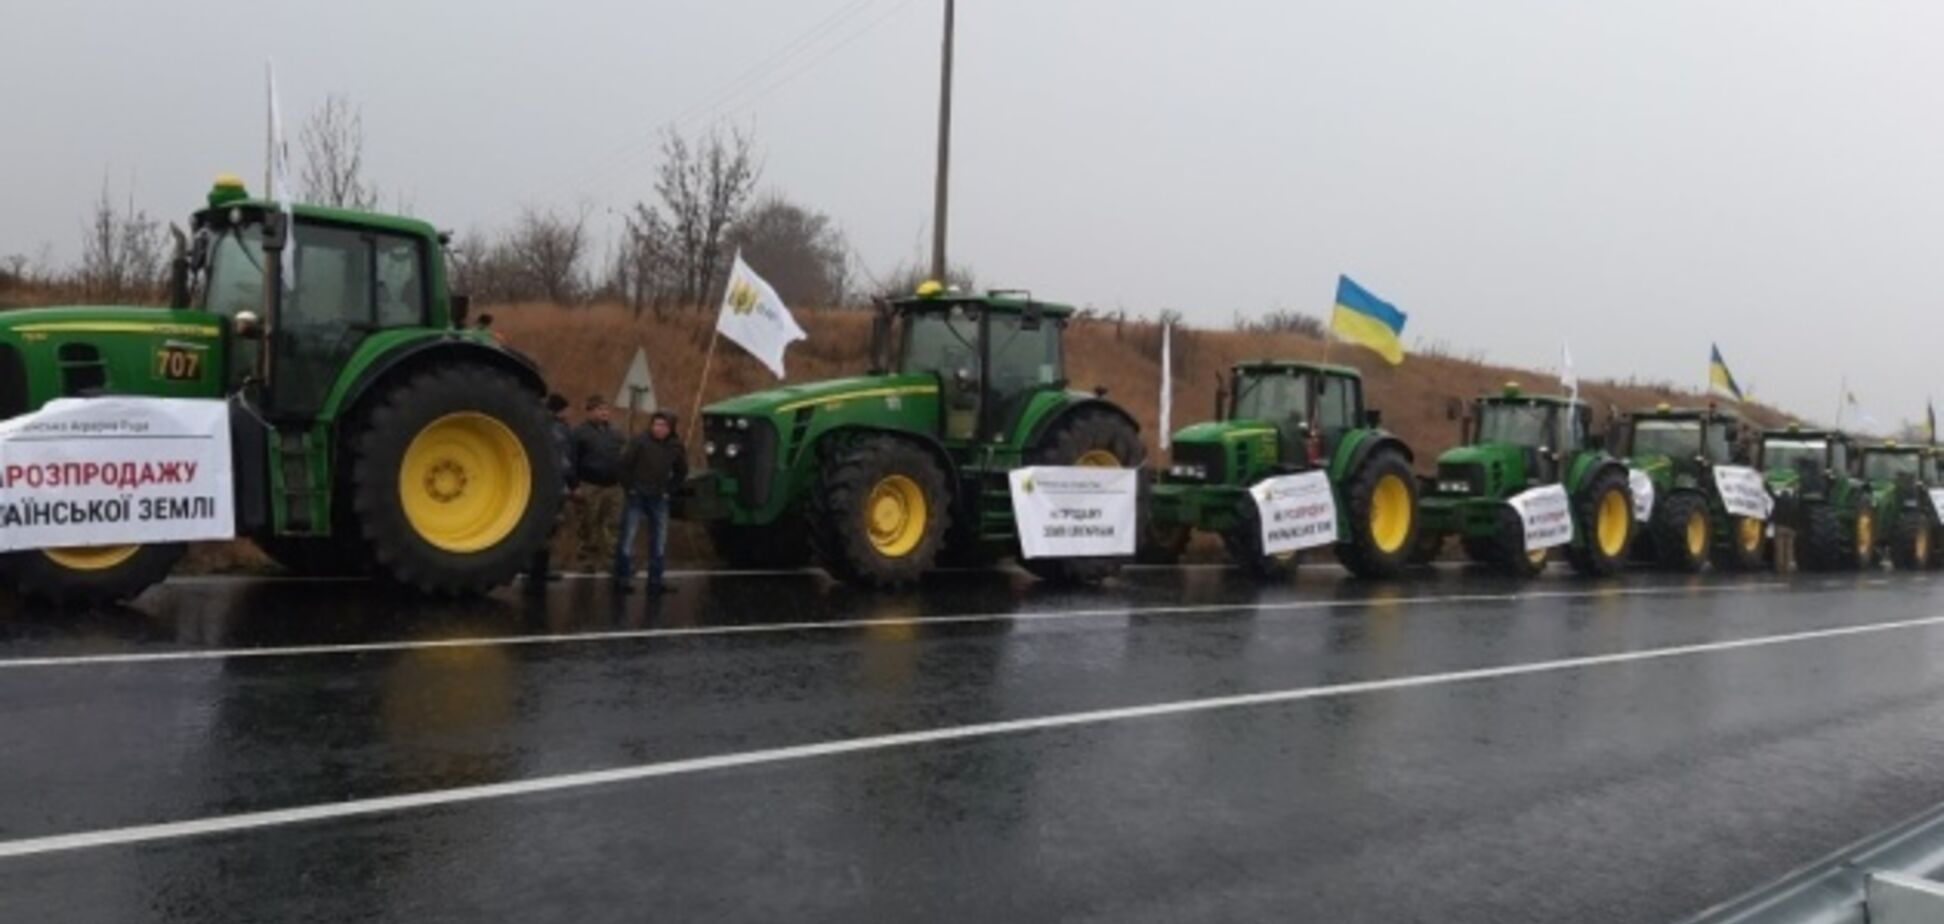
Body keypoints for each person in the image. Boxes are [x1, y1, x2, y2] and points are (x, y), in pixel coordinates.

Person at [613, 410, 687, 594]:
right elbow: (623, 465)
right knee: (627, 537)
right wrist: (629, 487)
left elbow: (681, 471)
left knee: (659, 541)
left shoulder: (675, 446)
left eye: (663, 425)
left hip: (659, 497)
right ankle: (622, 578)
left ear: (670, 428)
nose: (659, 429)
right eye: (656, 424)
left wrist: (670, 489)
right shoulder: (640, 441)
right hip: (637, 494)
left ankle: (655, 580)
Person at [525, 393, 577, 590]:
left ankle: (536, 568)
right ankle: (537, 570)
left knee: (543, 527)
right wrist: (572, 484)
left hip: (541, 484)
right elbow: (563, 461)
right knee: (547, 527)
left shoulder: (537, 423)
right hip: (552, 485)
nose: (570, 413)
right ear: (561, 410)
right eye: (567, 409)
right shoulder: (556, 430)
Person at [571, 396, 626, 569]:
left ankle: (611, 561)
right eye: (600, 410)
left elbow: (624, 457)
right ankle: (587, 561)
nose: (604, 413)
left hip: (614, 486)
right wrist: (575, 486)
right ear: (590, 411)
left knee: (613, 524)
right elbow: (572, 461)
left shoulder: (616, 434)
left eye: (606, 410)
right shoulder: (579, 433)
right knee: (588, 523)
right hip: (589, 485)